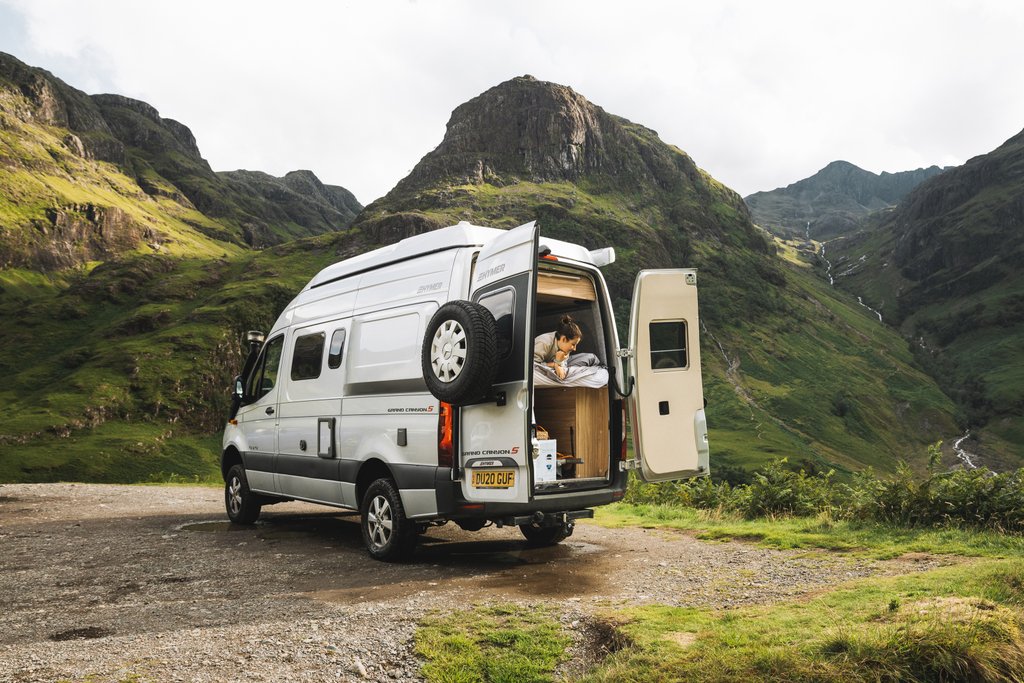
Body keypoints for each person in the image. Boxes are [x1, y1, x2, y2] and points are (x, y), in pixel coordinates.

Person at [534, 315, 583, 381]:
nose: (574, 349)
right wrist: (556, 363)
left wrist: (557, 363)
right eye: (573, 344)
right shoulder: (544, 342)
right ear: (564, 339)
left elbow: (562, 369)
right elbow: (532, 366)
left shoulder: (565, 349)